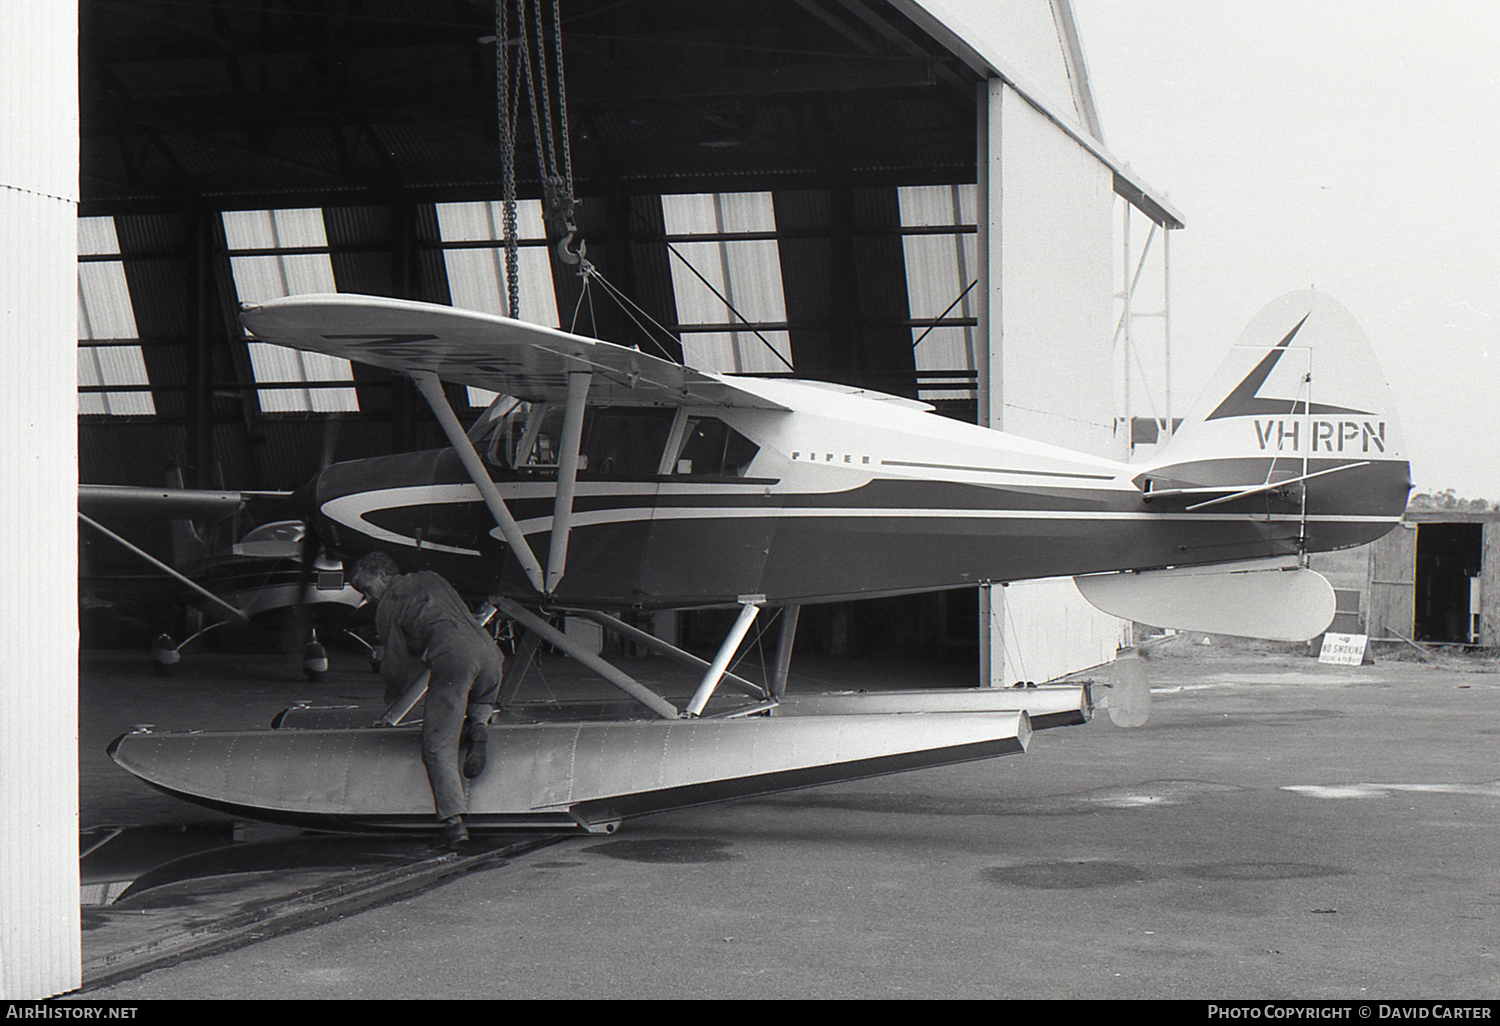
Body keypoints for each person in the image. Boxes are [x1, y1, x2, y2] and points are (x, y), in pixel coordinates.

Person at [349, 551, 502, 848]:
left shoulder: (388, 605)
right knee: (480, 695)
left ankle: (453, 824)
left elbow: (394, 663)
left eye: (367, 589)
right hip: (490, 653)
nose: (367, 597)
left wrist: (392, 707)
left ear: (382, 576)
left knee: (436, 745)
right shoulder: (432, 578)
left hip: (455, 657)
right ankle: (479, 725)